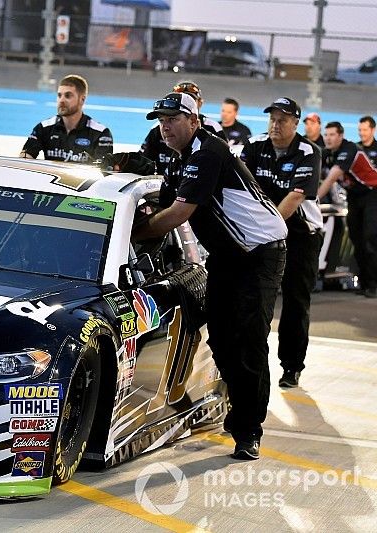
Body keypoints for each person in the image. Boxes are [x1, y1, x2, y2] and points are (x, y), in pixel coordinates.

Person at [133, 92, 287, 460]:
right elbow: (161, 204)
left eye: (172, 118)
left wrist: (133, 232)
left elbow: (177, 214)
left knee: (249, 339)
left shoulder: (208, 152)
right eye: (160, 120)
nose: (164, 126)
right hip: (227, 255)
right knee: (220, 337)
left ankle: (249, 430)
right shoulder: (176, 158)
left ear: (194, 121)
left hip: (261, 253)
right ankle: (240, 407)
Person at [241, 97, 323, 388]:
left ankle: (291, 366)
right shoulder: (253, 146)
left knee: (295, 301)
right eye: (273, 118)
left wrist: (262, 229)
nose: (276, 124)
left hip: (301, 235)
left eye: (283, 120)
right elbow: (241, 188)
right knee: (255, 299)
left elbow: (295, 198)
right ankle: (248, 363)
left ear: (296, 123)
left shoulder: (308, 151)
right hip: (260, 233)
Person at [318, 121, 377, 298]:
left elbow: (330, 179)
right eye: (326, 135)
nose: (328, 138)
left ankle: (373, 284)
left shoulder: (349, 149)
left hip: (372, 194)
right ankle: (366, 283)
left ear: (341, 136)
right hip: (354, 197)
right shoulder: (327, 153)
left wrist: (312, 201)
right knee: (356, 239)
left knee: (370, 237)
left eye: (332, 135)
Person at [140, 80, 227, 175]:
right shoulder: (157, 129)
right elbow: (143, 160)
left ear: (200, 103)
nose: (165, 127)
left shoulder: (213, 130)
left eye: (190, 99)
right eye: (161, 120)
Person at [20, 74, 113, 163]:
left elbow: (102, 170)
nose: (62, 100)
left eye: (68, 95)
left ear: (82, 99)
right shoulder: (43, 128)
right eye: (59, 95)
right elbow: (24, 158)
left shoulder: (101, 133)